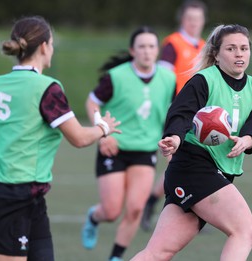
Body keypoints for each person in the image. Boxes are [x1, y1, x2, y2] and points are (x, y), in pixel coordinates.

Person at [0, 16, 121, 261]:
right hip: (12, 200)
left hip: (25, 198)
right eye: (52, 44)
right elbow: (79, 138)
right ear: (44, 47)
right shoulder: (47, 88)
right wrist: (103, 128)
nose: (52, 49)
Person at [131, 24, 252, 261]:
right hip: (194, 167)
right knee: (244, 231)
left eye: (244, 48)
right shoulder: (204, 80)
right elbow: (181, 113)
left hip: (215, 172)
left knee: (158, 253)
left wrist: (246, 140)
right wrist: (175, 137)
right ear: (216, 54)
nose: (239, 54)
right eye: (231, 48)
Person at [80, 26, 176, 261]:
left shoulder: (169, 78)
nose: (147, 51)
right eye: (141, 46)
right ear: (133, 50)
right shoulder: (116, 76)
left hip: (144, 151)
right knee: (112, 211)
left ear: (158, 51)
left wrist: (172, 140)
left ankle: (116, 257)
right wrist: (104, 133)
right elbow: (92, 104)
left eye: (152, 46)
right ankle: (94, 217)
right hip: (114, 148)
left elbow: (173, 113)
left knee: (135, 209)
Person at [141, 0, 207, 231]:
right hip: (177, 113)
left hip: (201, 118)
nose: (194, 23)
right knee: (177, 165)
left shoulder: (204, 46)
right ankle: (155, 207)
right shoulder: (172, 44)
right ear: (182, 20)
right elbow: (163, 79)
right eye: (190, 19)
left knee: (193, 164)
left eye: (198, 19)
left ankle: (193, 210)